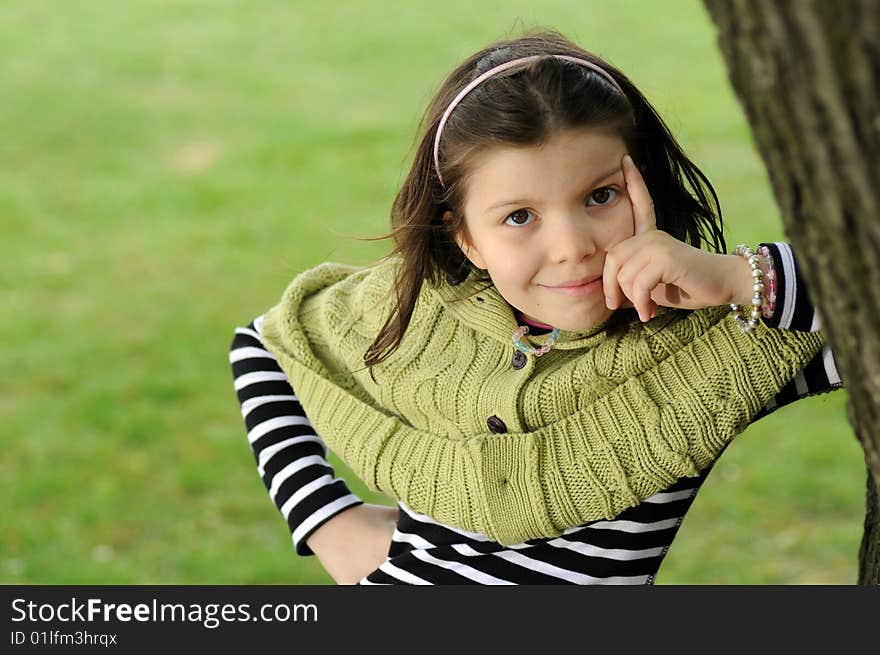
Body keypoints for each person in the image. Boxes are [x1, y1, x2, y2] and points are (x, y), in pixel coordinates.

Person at [229, 29, 843, 585]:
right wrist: (328, 523)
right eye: (519, 217)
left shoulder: (722, 345)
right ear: (466, 236)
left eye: (601, 195)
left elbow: (861, 305)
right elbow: (266, 345)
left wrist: (739, 278)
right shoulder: (418, 311)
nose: (572, 248)